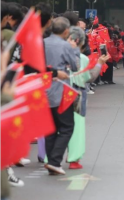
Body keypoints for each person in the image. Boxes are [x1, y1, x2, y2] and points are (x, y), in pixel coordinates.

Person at [66, 26, 108, 170]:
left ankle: (51, 159)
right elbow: (89, 77)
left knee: (57, 127)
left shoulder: (58, 54)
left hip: (58, 92)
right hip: (76, 94)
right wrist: (99, 64)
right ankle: (74, 159)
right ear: (79, 41)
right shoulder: (81, 58)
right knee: (76, 127)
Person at [44, 17, 79, 175]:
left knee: (50, 128)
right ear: (66, 31)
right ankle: (54, 160)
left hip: (43, 90)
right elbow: (74, 66)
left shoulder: (42, 42)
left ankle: (52, 160)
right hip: (60, 90)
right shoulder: (65, 45)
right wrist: (74, 49)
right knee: (66, 127)